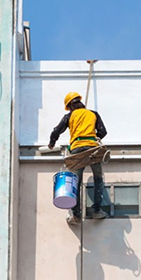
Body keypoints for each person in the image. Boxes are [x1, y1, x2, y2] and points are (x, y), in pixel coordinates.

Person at [49, 92, 108, 224]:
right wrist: (93, 138)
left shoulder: (70, 116)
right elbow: (103, 131)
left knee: (75, 181)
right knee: (98, 178)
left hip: (77, 151)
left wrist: (52, 143)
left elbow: (56, 131)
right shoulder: (93, 114)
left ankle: (76, 215)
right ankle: (97, 211)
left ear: (70, 105)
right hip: (93, 149)